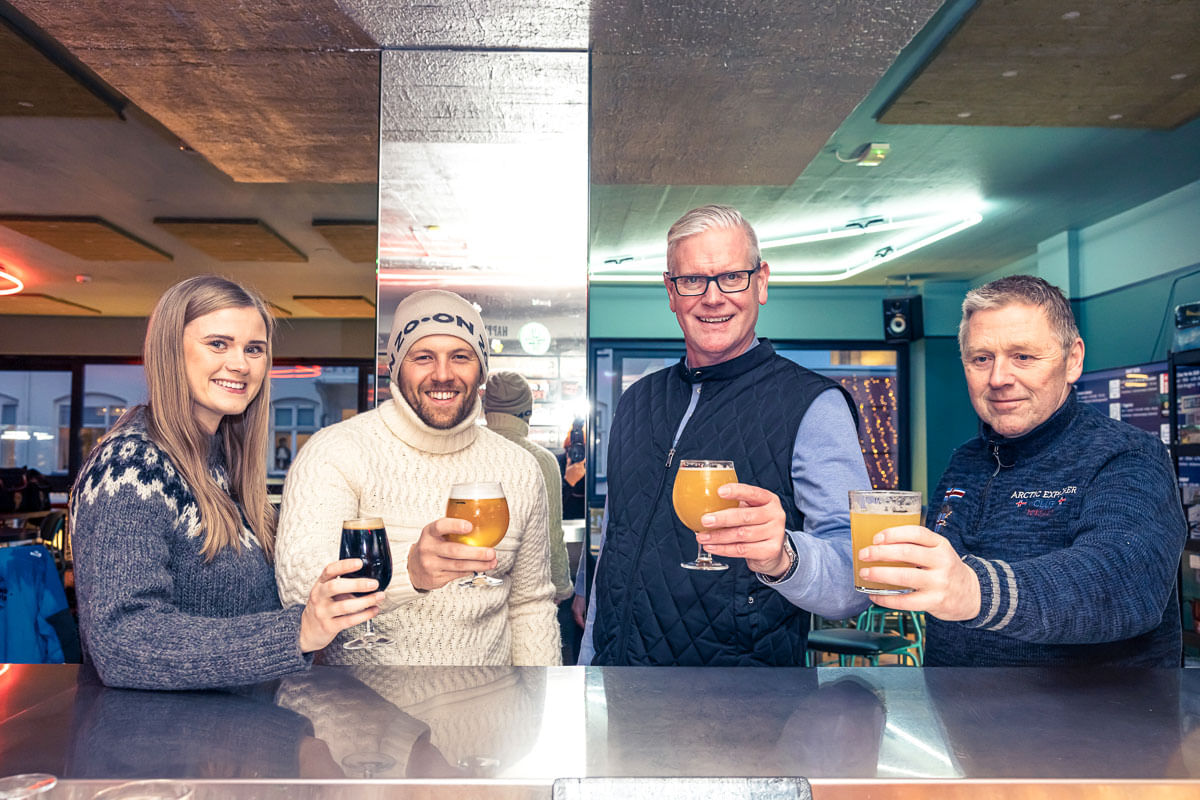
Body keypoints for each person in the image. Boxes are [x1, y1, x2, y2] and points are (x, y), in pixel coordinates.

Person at [581, 204, 872, 666]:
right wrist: (588, 665)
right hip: (620, 690)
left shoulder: (813, 405)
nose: (712, 297)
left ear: (761, 282)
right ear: (670, 292)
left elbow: (857, 581)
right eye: (692, 280)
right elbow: (616, 549)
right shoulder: (636, 401)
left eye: (732, 276)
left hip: (743, 705)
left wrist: (786, 557)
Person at [70, 275, 378, 691]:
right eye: (218, 344)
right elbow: (123, 642)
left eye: (254, 349)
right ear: (170, 352)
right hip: (157, 748)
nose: (241, 364)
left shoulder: (223, 464)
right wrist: (297, 632)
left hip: (232, 740)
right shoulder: (130, 466)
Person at [859, 275, 1187, 666]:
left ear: (1073, 360)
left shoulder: (1129, 456)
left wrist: (974, 589)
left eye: (1024, 357)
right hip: (959, 718)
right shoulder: (965, 461)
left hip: (1094, 723)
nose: (999, 378)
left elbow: (1121, 581)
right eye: (982, 359)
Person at [275, 289, 560, 666]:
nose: (442, 374)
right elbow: (300, 591)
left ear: (482, 370)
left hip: (489, 712)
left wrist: (537, 708)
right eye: (423, 357)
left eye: (460, 357)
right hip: (362, 714)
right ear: (396, 367)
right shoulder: (336, 451)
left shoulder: (520, 467)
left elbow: (530, 605)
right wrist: (410, 576)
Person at [483, 371, 573, 604]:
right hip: (529, 592)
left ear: (486, 409)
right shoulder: (540, 459)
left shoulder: (468, 451)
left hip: (479, 591)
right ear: (528, 411)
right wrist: (562, 588)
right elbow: (551, 533)